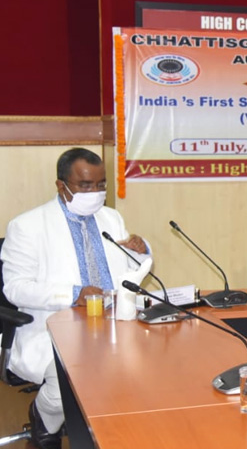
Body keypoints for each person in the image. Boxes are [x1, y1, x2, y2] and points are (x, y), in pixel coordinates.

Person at [1, 148, 149, 449]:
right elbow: (15, 288)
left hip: (114, 321)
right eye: (85, 185)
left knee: (154, 364)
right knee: (66, 381)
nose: (95, 192)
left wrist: (141, 251)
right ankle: (44, 417)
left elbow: (133, 271)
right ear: (61, 185)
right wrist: (73, 294)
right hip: (57, 326)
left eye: (101, 184)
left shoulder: (111, 218)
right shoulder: (27, 226)